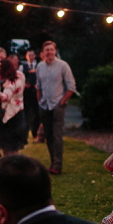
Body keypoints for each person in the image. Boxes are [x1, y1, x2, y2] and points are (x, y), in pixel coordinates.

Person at [35, 40, 76, 175]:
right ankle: (53, 162)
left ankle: (57, 165)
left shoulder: (63, 65)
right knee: (48, 136)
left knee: (57, 136)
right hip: (44, 105)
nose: (49, 52)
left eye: (51, 49)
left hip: (57, 105)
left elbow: (71, 87)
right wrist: (39, 102)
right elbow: (38, 86)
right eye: (47, 50)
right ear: (43, 52)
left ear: (55, 51)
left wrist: (62, 102)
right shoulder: (40, 66)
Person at [0, 56, 26, 155]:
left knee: (9, 149)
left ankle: (10, 168)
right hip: (19, 112)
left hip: (10, 117)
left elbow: (5, 97)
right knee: (15, 148)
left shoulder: (10, 83)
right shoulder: (21, 75)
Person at [21, 49, 39, 142]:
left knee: (37, 113)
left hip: (36, 92)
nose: (31, 57)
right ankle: (25, 134)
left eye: (32, 55)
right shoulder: (22, 66)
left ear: (35, 56)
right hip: (26, 93)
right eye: (29, 55)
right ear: (26, 56)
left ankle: (35, 133)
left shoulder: (39, 66)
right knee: (26, 114)